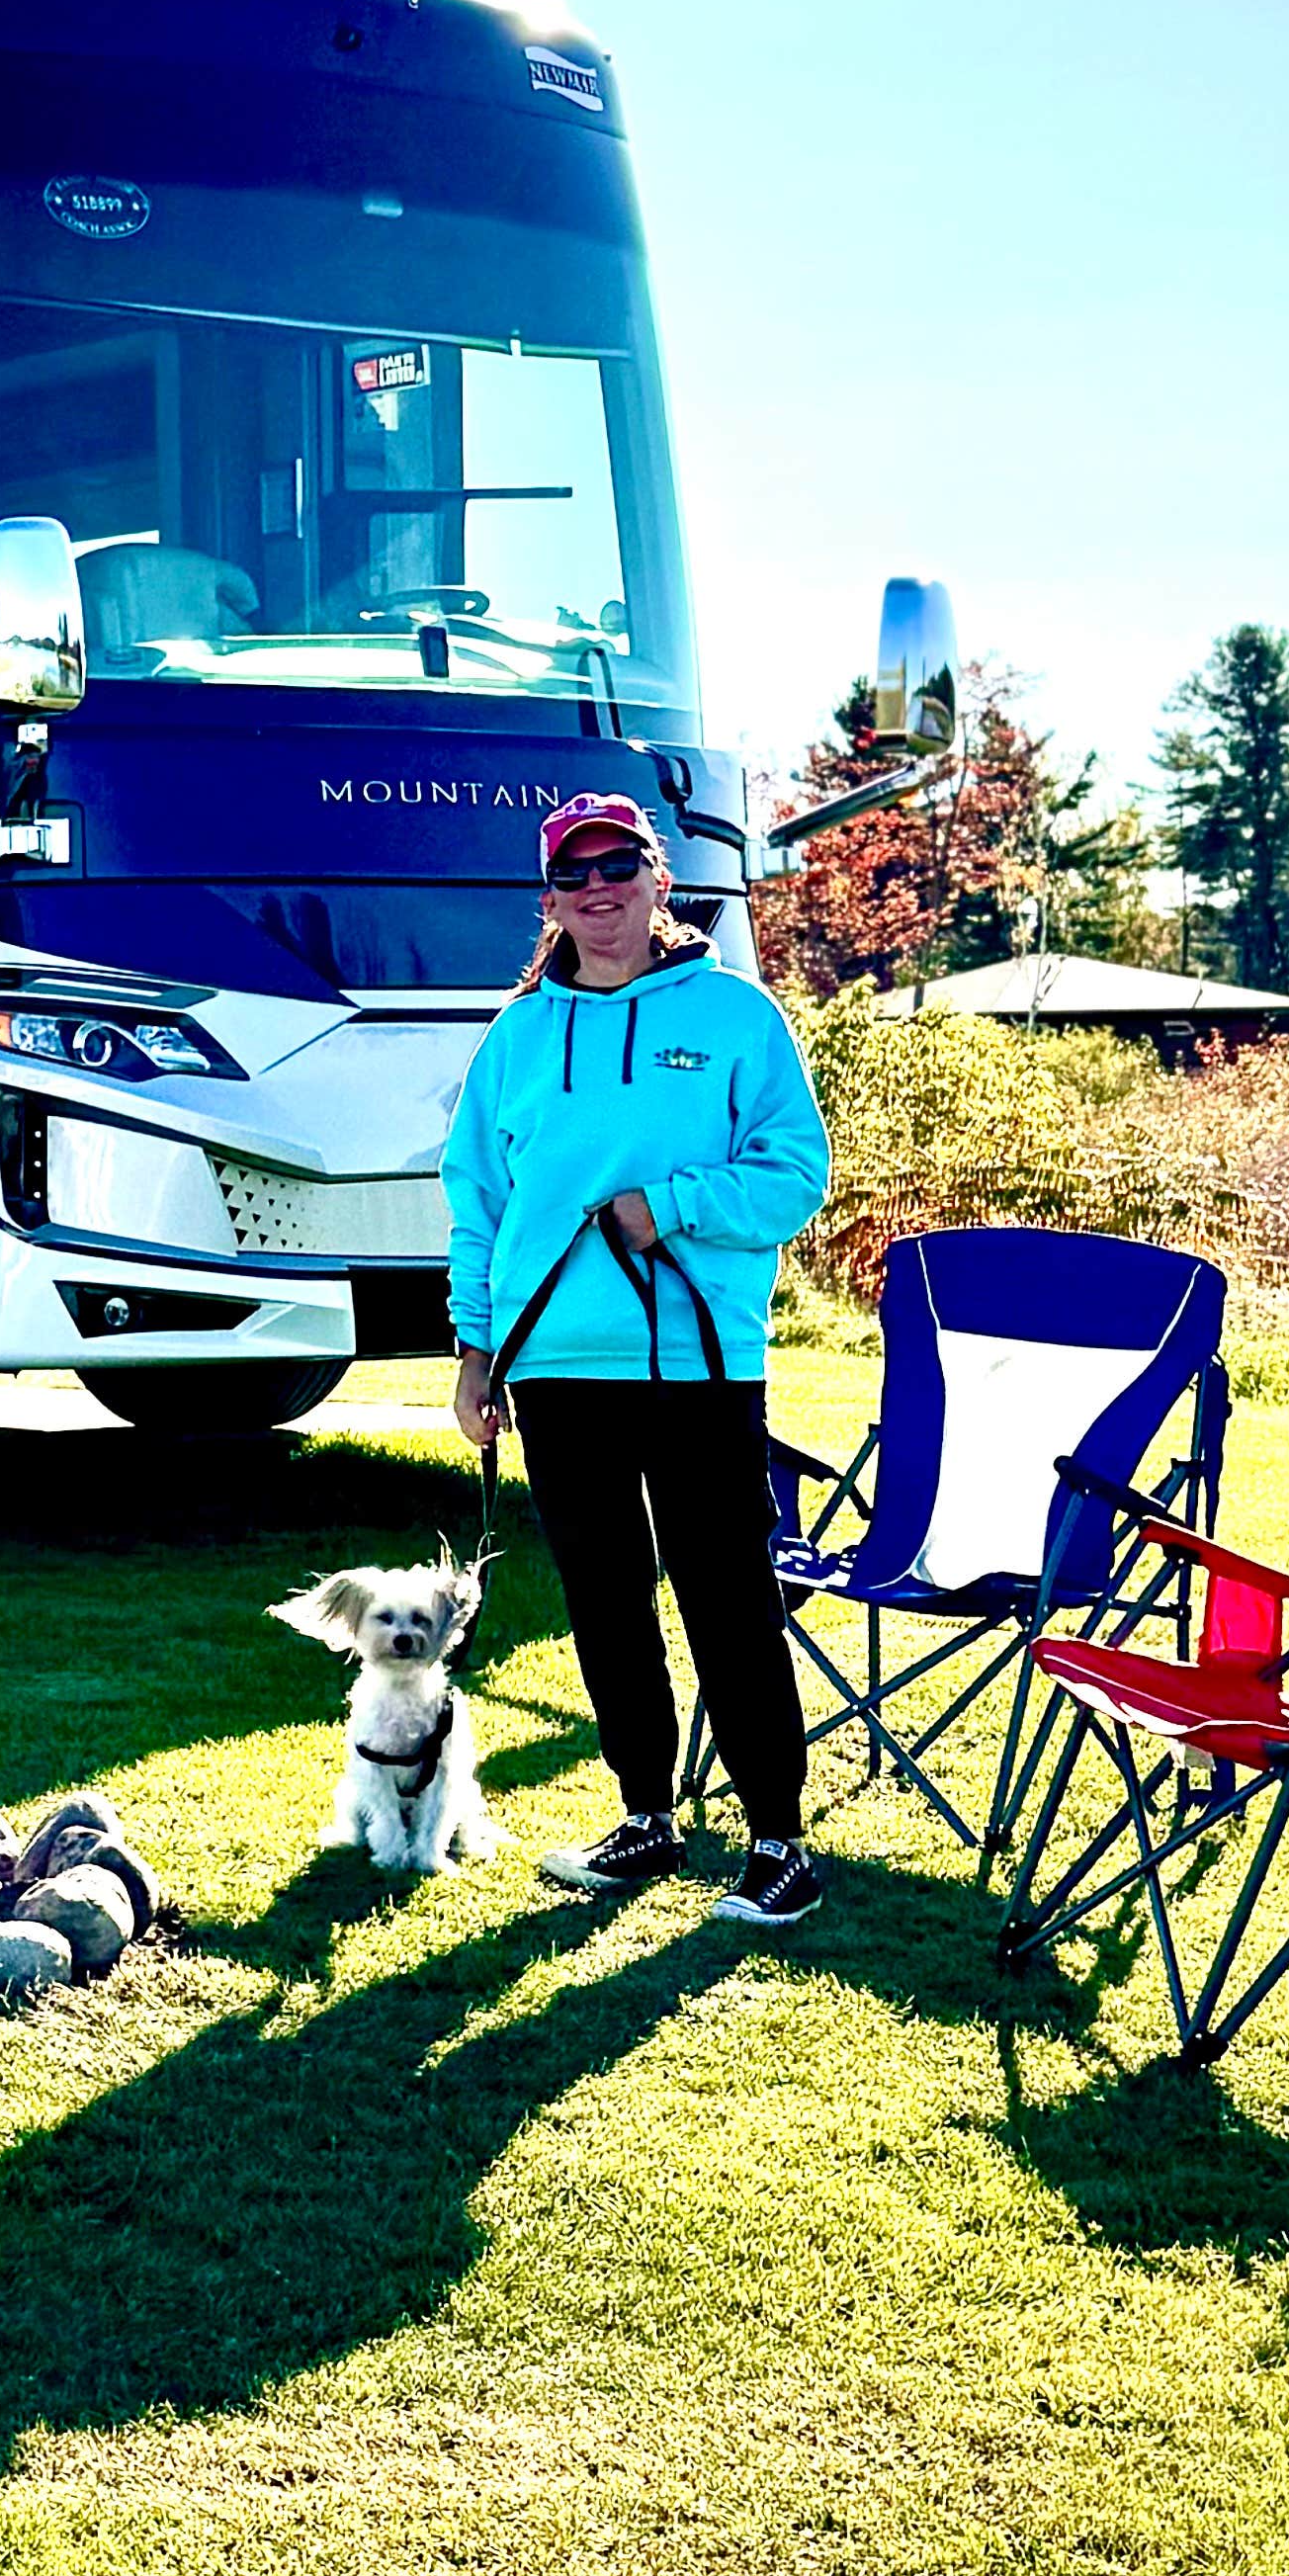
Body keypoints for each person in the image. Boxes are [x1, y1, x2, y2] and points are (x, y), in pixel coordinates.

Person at [441, 791, 834, 1927]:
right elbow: (478, 1204)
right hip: (553, 1368)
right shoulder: (517, 1039)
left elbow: (794, 1174)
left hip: (699, 1370)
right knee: (605, 1606)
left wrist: (668, 1203)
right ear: (550, 900)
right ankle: (648, 1818)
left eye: (621, 868)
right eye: (576, 876)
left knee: (726, 1596)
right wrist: (477, 1351)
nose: (599, 891)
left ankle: (777, 1840)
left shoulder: (733, 1016)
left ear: (661, 881)